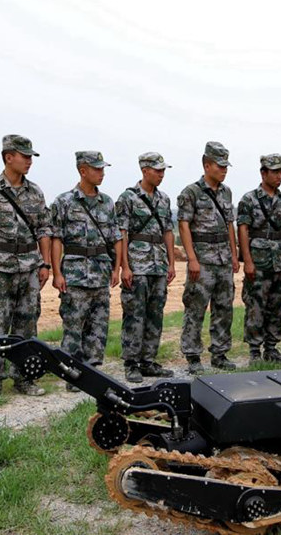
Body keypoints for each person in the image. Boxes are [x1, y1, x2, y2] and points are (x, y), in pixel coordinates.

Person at [0, 134, 52, 399]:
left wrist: (46, 263)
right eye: (25, 156)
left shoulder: (36, 192)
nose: (29, 161)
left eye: (30, 156)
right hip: (0, 269)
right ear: (9, 157)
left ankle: (24, 378)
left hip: (29, 267)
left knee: (27, 325)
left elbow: (44, 229)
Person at [51, 151, 121, 390]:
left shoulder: (108, 203)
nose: (102, 173)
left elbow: (115, 238)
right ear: (83, 170)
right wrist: (57, 273)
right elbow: (56, 239)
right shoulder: (64, 202)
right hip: (75, 274)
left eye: (103, 169)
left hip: (101, 272)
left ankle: (92, 376)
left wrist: (116, 268)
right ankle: (71, 377)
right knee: (73, 327)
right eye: (97, 169)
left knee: (98, 328)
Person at [177, 141, 240, 374]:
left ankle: (220, 353)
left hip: (223, 260)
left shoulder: (227, 192)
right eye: (220, 165)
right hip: (202, 261)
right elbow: (183, 226)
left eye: (226, 166)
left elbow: (230, 225)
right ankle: (193, 355)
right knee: (195, 308)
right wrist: (191, 258)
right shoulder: (191, 192)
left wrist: (234, 254)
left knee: (224, 308)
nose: (224, 170)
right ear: (206, 165)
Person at [115, 152, 177, 383]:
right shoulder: (128, 198)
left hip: (158, 265)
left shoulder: (164, 199)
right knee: (134, 315)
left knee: (155, 315)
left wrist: (171, 263)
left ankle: (148, 361)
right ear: (144, 170)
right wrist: (125, 267)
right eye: (157, 170)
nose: (161, 174)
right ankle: (131, 363)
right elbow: (121, 233)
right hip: (137, 265)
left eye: (163, 170)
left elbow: (168, 232)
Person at [237, 154, 281, 363]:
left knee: (276, 305)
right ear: (263, 173)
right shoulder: (249, 199)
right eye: (275, 172)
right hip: (258, 260)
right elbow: (243, 230)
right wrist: (248, 261)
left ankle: (271, 348)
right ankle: (255, 350)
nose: (279, 176)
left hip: (280, 261)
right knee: (255, 305)